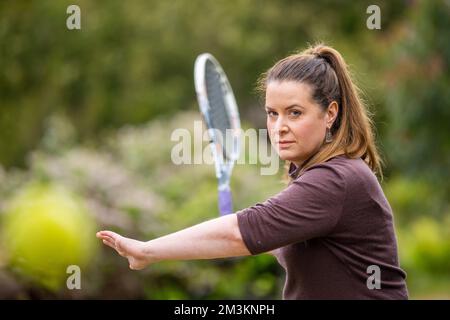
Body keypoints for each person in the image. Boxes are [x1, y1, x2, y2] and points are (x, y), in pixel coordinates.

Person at [96, 43, 409, 299]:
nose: (279, 127)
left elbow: (238, 233)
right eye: (272, 114)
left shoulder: (336, 180)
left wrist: (147, 251)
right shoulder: (318, 176)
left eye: (295, 113)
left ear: (330, 113)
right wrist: (239, 233)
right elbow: (264, 235)